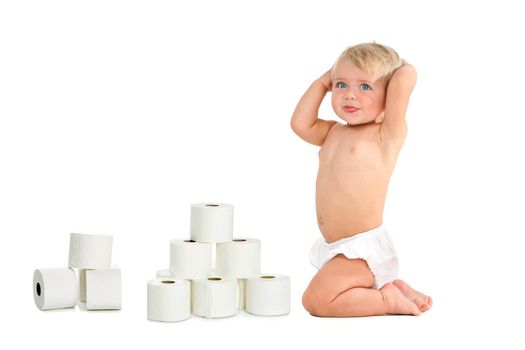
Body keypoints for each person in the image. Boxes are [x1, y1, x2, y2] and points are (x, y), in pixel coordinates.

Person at [291, 42, 432, 317]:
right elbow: (300, 123)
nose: (350, 95)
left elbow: (404, 81)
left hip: (363, 248)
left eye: (365, 87)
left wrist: (400, 69)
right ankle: (393, 287)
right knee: (326, 294)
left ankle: (386, 300)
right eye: (341, 85)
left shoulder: (385, 136)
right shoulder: (332, 133)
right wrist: (323, 81)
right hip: (337, 248)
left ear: (389, 95)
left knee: (316, 301)